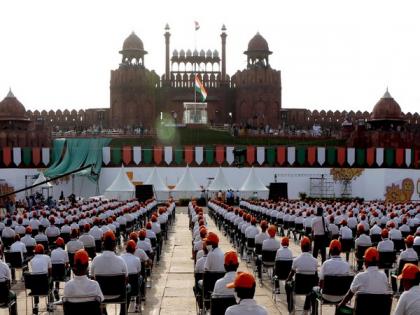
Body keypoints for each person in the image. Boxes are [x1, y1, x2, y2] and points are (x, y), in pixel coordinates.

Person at [303, 239, 350, 314]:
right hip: (342, 297)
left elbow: (321, 283)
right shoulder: (346, 265)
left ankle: (314, 313)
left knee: (313, 290)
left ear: (330, 250)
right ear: (340, 250)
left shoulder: (326, 264)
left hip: (326, 296)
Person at [91, 230, 128, 315]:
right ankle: (122, 313)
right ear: (114, 245)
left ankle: (104, 312)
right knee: (127, 288)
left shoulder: (95, 260)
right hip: (118, 294)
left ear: (103, 245)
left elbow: (93, 279)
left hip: (101, 295)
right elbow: (126, 279)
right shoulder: (121, 260)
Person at [285, 236, 318, 313]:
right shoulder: (315, 261)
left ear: (301, 247)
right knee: (312, 287)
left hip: (299, 288)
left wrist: (287, 280)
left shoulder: (296, 260)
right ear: (310, 247)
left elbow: (291, 274)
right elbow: (316, 276)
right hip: (310, 289)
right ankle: (309, 309)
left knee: (288, 285)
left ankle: (291, 309)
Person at [29, 244, 53, 313]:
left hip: (35, 288)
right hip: (45, 286)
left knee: (35, 279)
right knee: (51, 279)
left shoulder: (32, 260)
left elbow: (32, 272)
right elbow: (50, 271)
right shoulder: (47, 257)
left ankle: (36, 304)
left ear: (35, 252)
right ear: (43, 251)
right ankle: (50, 302)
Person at [0, 248, 17, 315]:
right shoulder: (5, 265)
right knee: (13, 294)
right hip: (4, 297)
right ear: (1, 254)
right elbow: (9, 281)